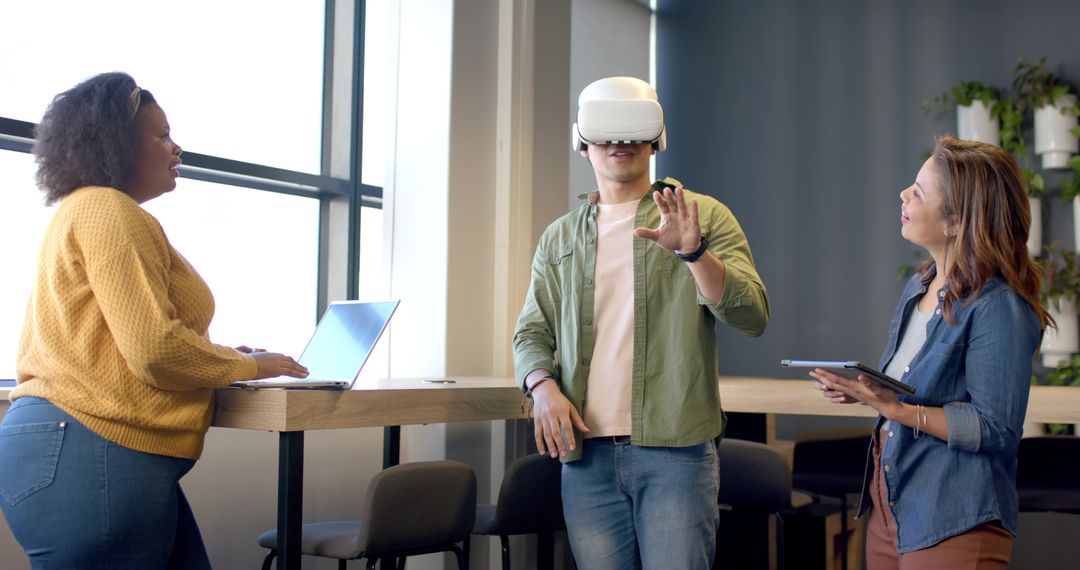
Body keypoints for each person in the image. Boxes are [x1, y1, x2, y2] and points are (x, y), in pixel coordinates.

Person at [0, 72, 309, 569]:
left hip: (78, 447)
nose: (177, 148)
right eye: (161, 135)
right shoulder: (108, 210)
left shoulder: (88, 211)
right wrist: (251, 366)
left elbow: (124, 343)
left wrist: (226, 357)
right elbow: (155, 350)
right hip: (91, 446)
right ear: (116, 144)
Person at [512, 76, 769, 569]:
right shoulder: (560, 237)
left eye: (632, 131)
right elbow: (531, 332)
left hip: (678, 452)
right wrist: (540, 386)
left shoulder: (702, 216)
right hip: (584, 454)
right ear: (583, 142)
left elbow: (753, 315)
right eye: (606, 132)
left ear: (656, 137)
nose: (620, 143)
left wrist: (694, 253)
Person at [810, 136, 1050, 569]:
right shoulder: (920, 286)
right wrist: (870, 392)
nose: (903, 195)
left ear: (956, 221)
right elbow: (912, 391)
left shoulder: (999, 307)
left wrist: (897, 410)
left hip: (954, 512)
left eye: (918, 192)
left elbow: (996, 428)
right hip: (892, 503)